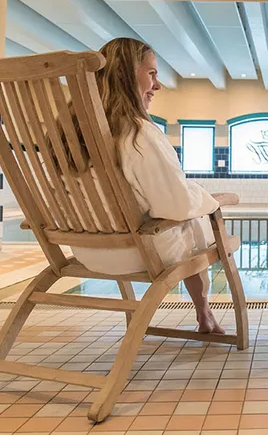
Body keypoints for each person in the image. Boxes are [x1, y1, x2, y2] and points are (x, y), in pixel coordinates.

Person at [63, 37, 224, 334]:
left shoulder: (67, 135)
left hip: (85, 250)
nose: (157, 85)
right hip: (137, 252)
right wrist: (211, 200)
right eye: (151, 73)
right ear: (126, 74)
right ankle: (204, 313)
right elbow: (175, 206)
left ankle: (204, 314)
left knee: (189, 216)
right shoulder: (138, 133)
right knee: (197, 223)